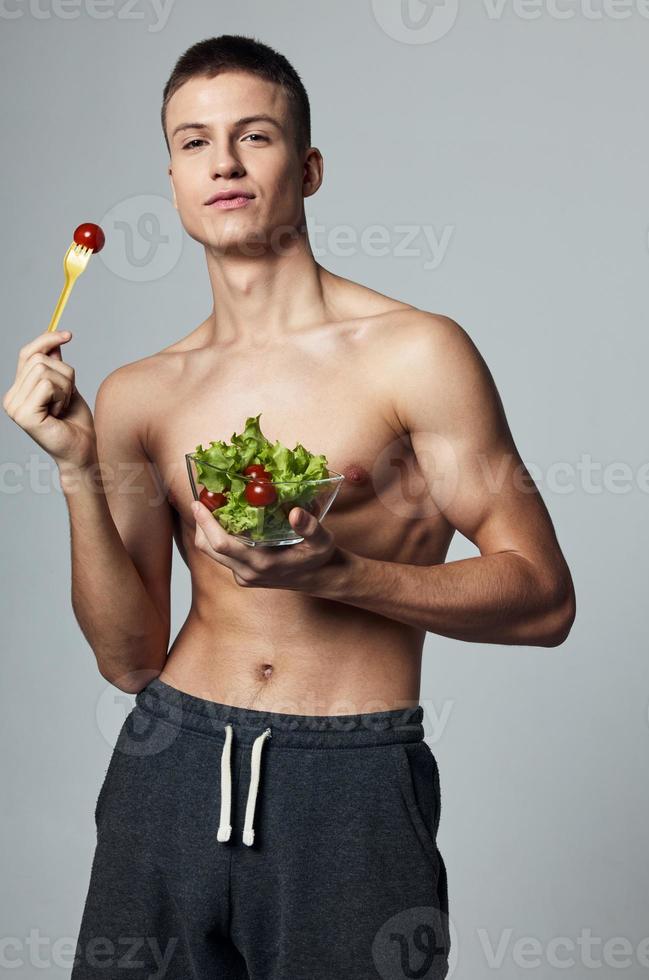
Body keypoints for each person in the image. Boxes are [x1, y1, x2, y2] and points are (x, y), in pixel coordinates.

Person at [3, 33, 575, 980]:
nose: (222, 162)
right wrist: (74, 469)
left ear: (307, 168)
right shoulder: (143, 394)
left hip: (347, 781)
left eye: (253, 136)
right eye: (194, 143)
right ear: (174, 180)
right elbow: (126, 656)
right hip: (169, 764)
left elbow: (545, 600)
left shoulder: (415, 354)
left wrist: (344, 575)